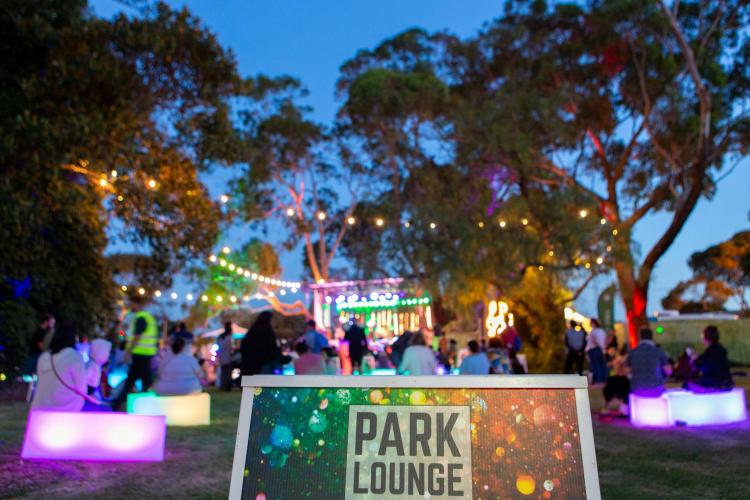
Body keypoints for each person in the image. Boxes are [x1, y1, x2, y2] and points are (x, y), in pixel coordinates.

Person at [112, 297, 159, 410]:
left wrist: (128, 353)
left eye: (131, 303)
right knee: (140, 380)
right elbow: (128, 335)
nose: (130, 306)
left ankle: (118, 403)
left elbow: (136, 337)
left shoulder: (140, 318)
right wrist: (122, 331)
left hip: (140, 354)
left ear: (136, 304)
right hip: (144, 354)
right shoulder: (145, 318)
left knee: (139, 380)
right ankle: (145, 404)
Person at [31, 324, 87, 412]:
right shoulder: (74, 356)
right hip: (65, 409)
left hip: (39, 408)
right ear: (73, 338)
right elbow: (82, 389)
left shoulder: (44, 357)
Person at [626, 327, 672, 397]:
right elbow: (668, 371)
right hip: (656, 389)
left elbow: (626, 371)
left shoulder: (632, 352)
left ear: (639, 337)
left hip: (637, 389)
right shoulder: (659, 351)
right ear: (652, 337)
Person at [689, 325, 733, 392]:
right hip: (724, 381)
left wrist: (694, 360)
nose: (701, 338)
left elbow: (703, 366)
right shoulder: (717, 348)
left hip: (718, 383)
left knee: (689, 384)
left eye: (702, 335)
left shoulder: (713, 350)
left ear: (706, 337)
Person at [241, 311, 282, 375]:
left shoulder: (252, 331)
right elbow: (272, 347)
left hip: (250, 365)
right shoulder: (267, 331)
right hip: (263, 364)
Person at [602, 347, 630, 415]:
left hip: (618, 381)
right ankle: (623, 408)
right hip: (620, 381)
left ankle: (609, 407)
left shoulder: (617, 360)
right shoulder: (626, 379)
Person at [586, 319, 608, 385]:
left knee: (597, 366)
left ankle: (600, 380)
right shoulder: (595, 331)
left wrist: (602, 349)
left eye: (591, 322)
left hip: (596, 350)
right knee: (596, 366)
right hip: (594, 350)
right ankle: (599, 380)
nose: (590, 324)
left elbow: (599, 341)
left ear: (594, 323)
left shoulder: (597, 331)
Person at [218, 322, 235, 391]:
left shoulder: (221, 337)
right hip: (228, 357)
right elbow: (231, 348)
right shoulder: (229, 337)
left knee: (223, 372)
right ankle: (227, 386)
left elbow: (219, 348)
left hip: (222, 357)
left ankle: (223, 386)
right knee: (228, 373)